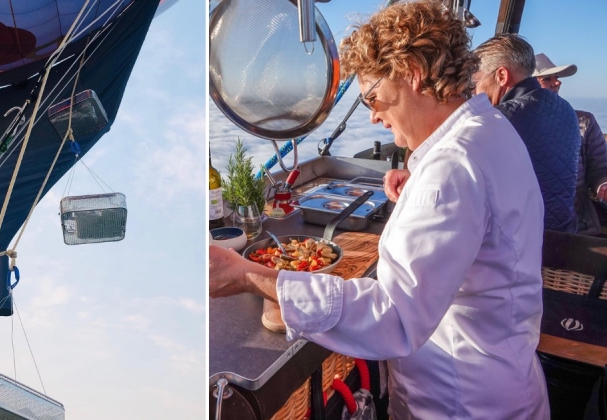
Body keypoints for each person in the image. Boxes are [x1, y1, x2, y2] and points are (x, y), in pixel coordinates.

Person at [210, 1, 549, 418]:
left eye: (373, 96)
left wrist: (248, 274)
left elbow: (392, 316)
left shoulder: (452, 168)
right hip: (503, 379)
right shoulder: (490, 130)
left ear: (411, 73)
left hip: (459, 400)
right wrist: (418, 180)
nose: (372, 116)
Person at [472, 34, 581, 233]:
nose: (475, 91)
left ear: (501, 76)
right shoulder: (566, 109)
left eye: (477, 82)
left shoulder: (497, 119)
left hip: (521, 243)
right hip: (563, 232)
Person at [533, 52, 607, 235]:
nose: (557, 82)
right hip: (531, 224)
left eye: (556, 78)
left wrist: (603, 185)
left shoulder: (584, 121)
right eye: (547, 78)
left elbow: (600, 168)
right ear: (528, 84)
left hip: (579, 225)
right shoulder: (511, 123)